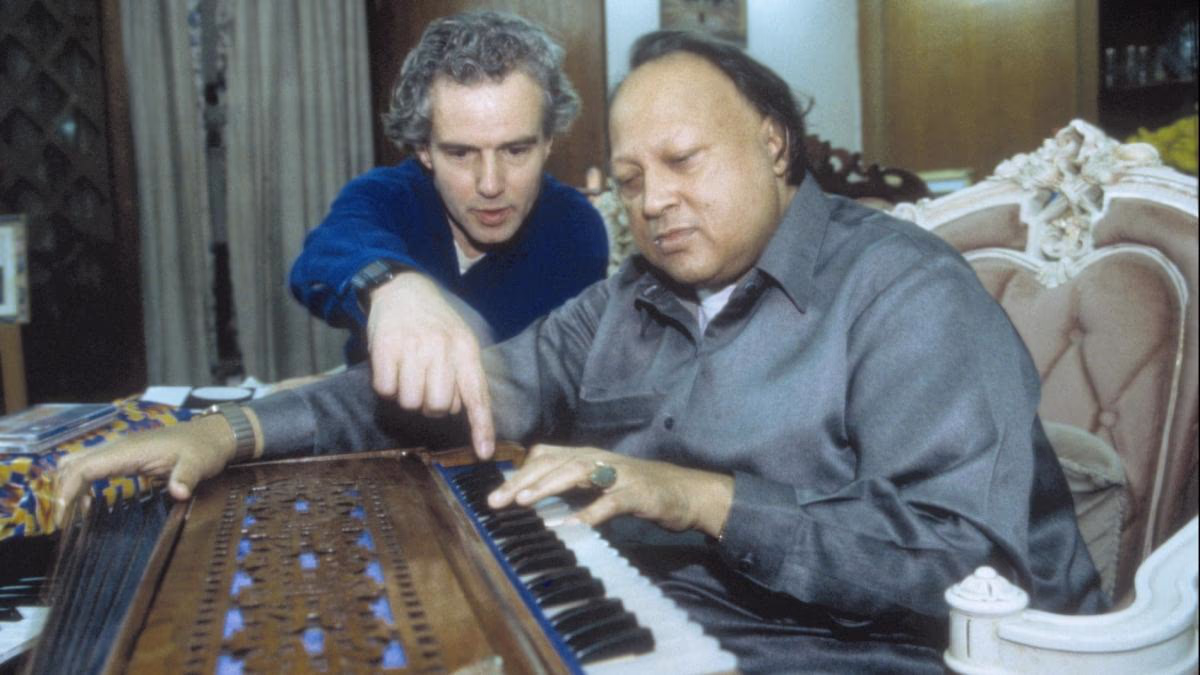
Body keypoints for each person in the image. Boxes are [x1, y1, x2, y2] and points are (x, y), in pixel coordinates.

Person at [57, 30, 1106, 672]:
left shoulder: (904, 293)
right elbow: (437, 391)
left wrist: (696, 496)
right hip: (664, 616)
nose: (653, 200)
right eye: (633, 178)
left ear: (774, 144)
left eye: (682, 162)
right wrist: (228, 433)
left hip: (896, 651)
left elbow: (972, 567)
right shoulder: (623, 303)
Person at [290, 11, 608, 442]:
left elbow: (537, 386)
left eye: (516, 150)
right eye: (460, 153)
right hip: (373, 441)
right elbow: (324, 256)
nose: (491, 184)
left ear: (548, 141)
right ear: (424, 149)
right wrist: (394, 287)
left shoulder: (577, 230)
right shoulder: (384, 196)